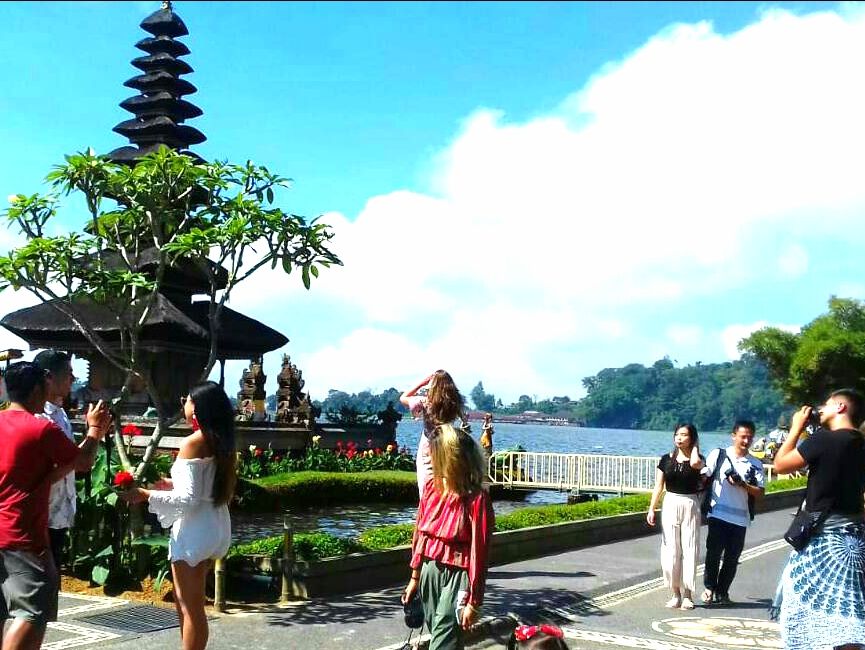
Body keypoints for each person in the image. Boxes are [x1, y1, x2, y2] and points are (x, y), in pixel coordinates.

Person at [0, 361, 110, 650]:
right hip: (21, 533)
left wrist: (49, 476)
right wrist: (95, 431)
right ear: (37, 389)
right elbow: (83, 461)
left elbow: (48, 470)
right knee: (33, 609)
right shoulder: (40, 429)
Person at [122, 381, 236, 650]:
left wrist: (145, 494)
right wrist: (167, 484)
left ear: (196, 408)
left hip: (194, 529)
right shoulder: (220, 440)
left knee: (190, 606)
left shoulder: (192, 442)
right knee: (188, 604)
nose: (184, 403)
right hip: (214, 523)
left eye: (187, 400)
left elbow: (187, 499)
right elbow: (200, 488)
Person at [772, 389, 865, 650]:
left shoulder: (825, 440)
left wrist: (796, 428)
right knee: (849, 610)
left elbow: (781, 464)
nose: (821, 409)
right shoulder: (860, 443)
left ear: (840, 407)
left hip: (824, 542)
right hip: (854, 540)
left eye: (826, 404)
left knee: (804, 605)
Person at [401, 421, 494, 650]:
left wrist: (475, 601)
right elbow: (420, 534)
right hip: (430, 570)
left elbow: (478, 553)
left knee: (442, 642)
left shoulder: (476, 498)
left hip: (458, 575)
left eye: (434, 453)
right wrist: (415, 576)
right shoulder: (432, 488)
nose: (429, 457)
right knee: (443, 638)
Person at [700, 420, 765, 606]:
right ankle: (709, 588)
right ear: (733, 436)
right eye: (743, 436)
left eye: (749, 437)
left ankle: (723, 592)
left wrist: (742, 484)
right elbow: (705, 475)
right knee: (713, 553)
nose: (746, 441)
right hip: (718, 514)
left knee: (732, 558)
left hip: (740, 518)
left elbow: (760, 492)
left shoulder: (755, 464)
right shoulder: (719, 455)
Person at [646, 423, 704, 610]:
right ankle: (675, 593)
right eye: (677, 434)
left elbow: (695, 464)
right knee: (671, 550)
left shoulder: (698, 459)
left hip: (690, 504)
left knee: (690, 549)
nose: (679, 438)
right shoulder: (666, 459)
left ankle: (688, 594)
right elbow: (658, 486)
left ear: (692, 438)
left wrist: (695, 448)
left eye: (684, 435)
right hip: (671, 502)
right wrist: (651, 508)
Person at [32, 350, 77, 575]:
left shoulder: (60, 413)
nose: (73, 379)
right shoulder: (39, 417)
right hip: (41, 512)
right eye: (68, 374)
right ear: (49, 377)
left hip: (59, 513)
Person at [400, 370, 466, 494]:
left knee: (426, 481)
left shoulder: (425, 402)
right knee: (447, 481)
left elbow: (403, 397)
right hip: (449, 440)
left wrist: (422, 383)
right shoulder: (454, 402)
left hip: (429, 443)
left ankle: (427, 508)